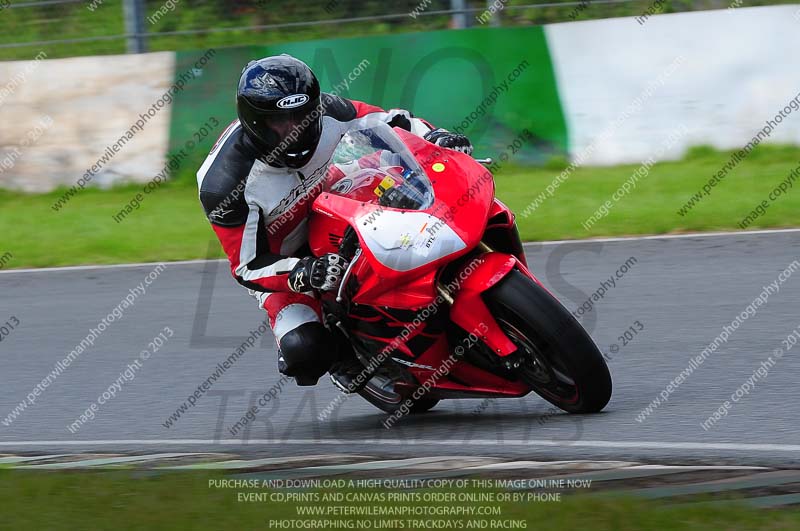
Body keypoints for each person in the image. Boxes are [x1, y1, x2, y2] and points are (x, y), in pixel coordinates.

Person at [197, 54, 472, 386]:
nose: (294, 130)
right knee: (305, 351)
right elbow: (248, 267)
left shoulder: (326, 110)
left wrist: (436, 136)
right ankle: (346, 353)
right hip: (285, 258)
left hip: (333, 201)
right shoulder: (224, 184)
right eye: (280, 123)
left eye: (302, 118)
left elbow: (390, 121)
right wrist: (301, 271)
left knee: (401, 179)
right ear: (254, 122)